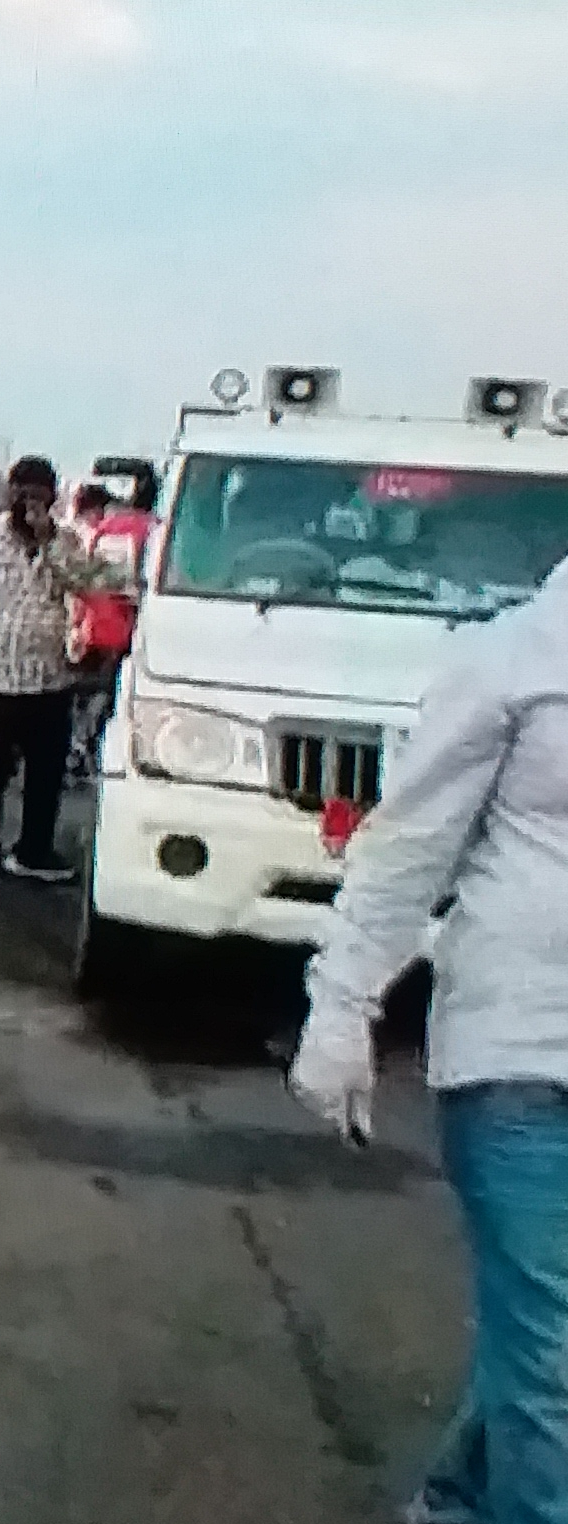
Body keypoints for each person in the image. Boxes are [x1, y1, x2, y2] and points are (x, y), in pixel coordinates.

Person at [290, 561, 568, 1524]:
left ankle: (454, 1505)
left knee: (543, 1350)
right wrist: (341, 1007)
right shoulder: (514, 659)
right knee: (555, 1360)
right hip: (522, 1056)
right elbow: (409, 847)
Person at [0, 454, 96, 885]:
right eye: (22, 493)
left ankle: (34, 850)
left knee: (47, 774)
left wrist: (48, 542)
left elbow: (85, 586)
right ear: (11, 495)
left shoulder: (65, 543)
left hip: (51, 680)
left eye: (39, 495)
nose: (30, 503)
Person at [64, 482, 157, 780]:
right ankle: (84, 747)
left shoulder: (108, 530)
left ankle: (78, 747)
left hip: (101, 623)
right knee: (108, 692)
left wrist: (77, 623)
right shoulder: (151, 527)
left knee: (92, 691)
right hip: (126, 625)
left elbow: (88, 582)